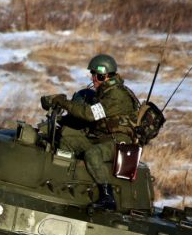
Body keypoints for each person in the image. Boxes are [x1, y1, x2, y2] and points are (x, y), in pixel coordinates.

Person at [42, 53, 140, 212]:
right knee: (67, 138)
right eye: (93, 74)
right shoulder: (104, 93)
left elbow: (89, 114)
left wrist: (63, 102)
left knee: (93, 154)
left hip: (118, 143)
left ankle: (107, 197)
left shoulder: (117, 96)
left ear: (106, 76)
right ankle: (63, 185)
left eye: (97, 75)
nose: (93, 79)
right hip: (100, 138)